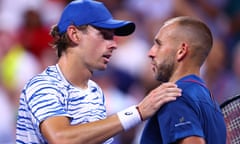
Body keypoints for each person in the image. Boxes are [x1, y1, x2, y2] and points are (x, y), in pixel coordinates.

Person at [16, 0, 182, 144]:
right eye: (104, 35)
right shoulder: (43, 85)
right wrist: (137, 112)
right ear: (74, 34)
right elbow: (62, 139)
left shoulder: (94, 92)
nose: (113, 44)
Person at [140, 16, 226, 144]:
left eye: (159, 44)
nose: (151, 52)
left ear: (181, 51)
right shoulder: (211, 103)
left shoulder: (174, 95)